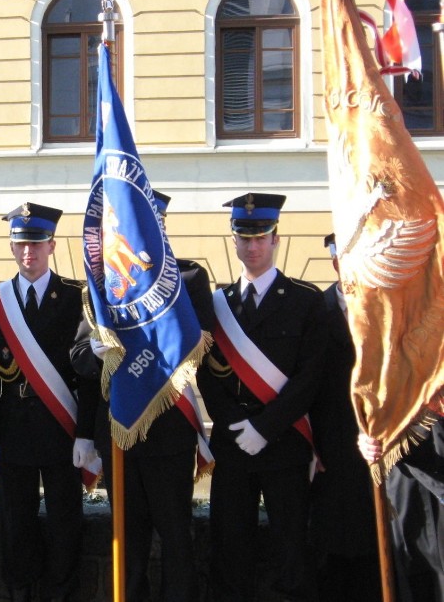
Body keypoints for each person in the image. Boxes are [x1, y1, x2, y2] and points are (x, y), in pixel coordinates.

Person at [70, 191, 214, 602]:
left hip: (169, 431)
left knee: (175, 536)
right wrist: (98, 352)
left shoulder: (188, 280)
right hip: (119, 432)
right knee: (127, 538)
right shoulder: (104, 287)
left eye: (154, 224)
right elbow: (78, 357)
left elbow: (204, 343)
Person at [196, 193, 326, 602]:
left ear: (276, 240)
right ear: (233, 240)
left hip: (284, 444)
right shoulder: (216, 306)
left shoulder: (306, 302)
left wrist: (265, 427)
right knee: (230, 550)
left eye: (261, 238)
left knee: (292, 551)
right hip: (233, 446)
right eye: (244, 238)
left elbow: (310, 377)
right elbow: (205, 371)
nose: (252, 247)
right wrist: (238, 425)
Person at [0, 202, 98, 602]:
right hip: (13, 432)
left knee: (66, 524)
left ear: (52, 245)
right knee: (16, 524)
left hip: (62, 431)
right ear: (12, 248)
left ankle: (63, 595)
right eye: (20, 244)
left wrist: (86, 435)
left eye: (37, 243)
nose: (28, 252)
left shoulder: (77, 298)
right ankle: (21, 592)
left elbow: (89, 376)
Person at [307, 233, 380, 602]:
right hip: (329, 448)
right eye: (340, 259)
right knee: (333, 549)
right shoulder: (314, 311)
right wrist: (308, 443)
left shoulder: (383, 309)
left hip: (379, 449)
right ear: (334, 262)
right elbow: (301, 382)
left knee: (376, 548)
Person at [358, 417, 444, 601]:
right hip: (403, 482)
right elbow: (370, 404)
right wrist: (366, 438)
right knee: (413, 577)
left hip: (437, 464)